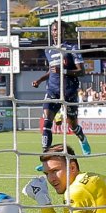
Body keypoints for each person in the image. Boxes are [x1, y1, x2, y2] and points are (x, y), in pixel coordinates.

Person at [32, 20, 90, 155]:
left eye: (59, 29)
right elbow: (52, 70)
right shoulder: (48, 50)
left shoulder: (72, 48)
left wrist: (63, 71)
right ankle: (46, 157)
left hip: (69, 91)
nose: (56, 32)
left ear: (64, 31)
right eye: (54, 30)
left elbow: (81, 71)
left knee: (72, 125)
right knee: (47, 123)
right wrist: (40, 80)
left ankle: (82, 138)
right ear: (51, 32)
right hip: (52, 90)